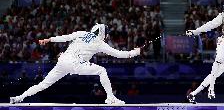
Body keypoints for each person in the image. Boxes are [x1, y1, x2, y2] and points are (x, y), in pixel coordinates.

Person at [10, 24, 141, 104]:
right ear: (102, 33)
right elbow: (118, 54)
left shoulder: (82, 33)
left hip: (62, 61)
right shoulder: (100, 43)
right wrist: (134, 53)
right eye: (106, 34)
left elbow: (65, 37)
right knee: (102, 71)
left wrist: (49, 39)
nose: (106, 36)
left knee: (43, 84)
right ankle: (110, 98)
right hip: (76, 64)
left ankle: (19, 97)